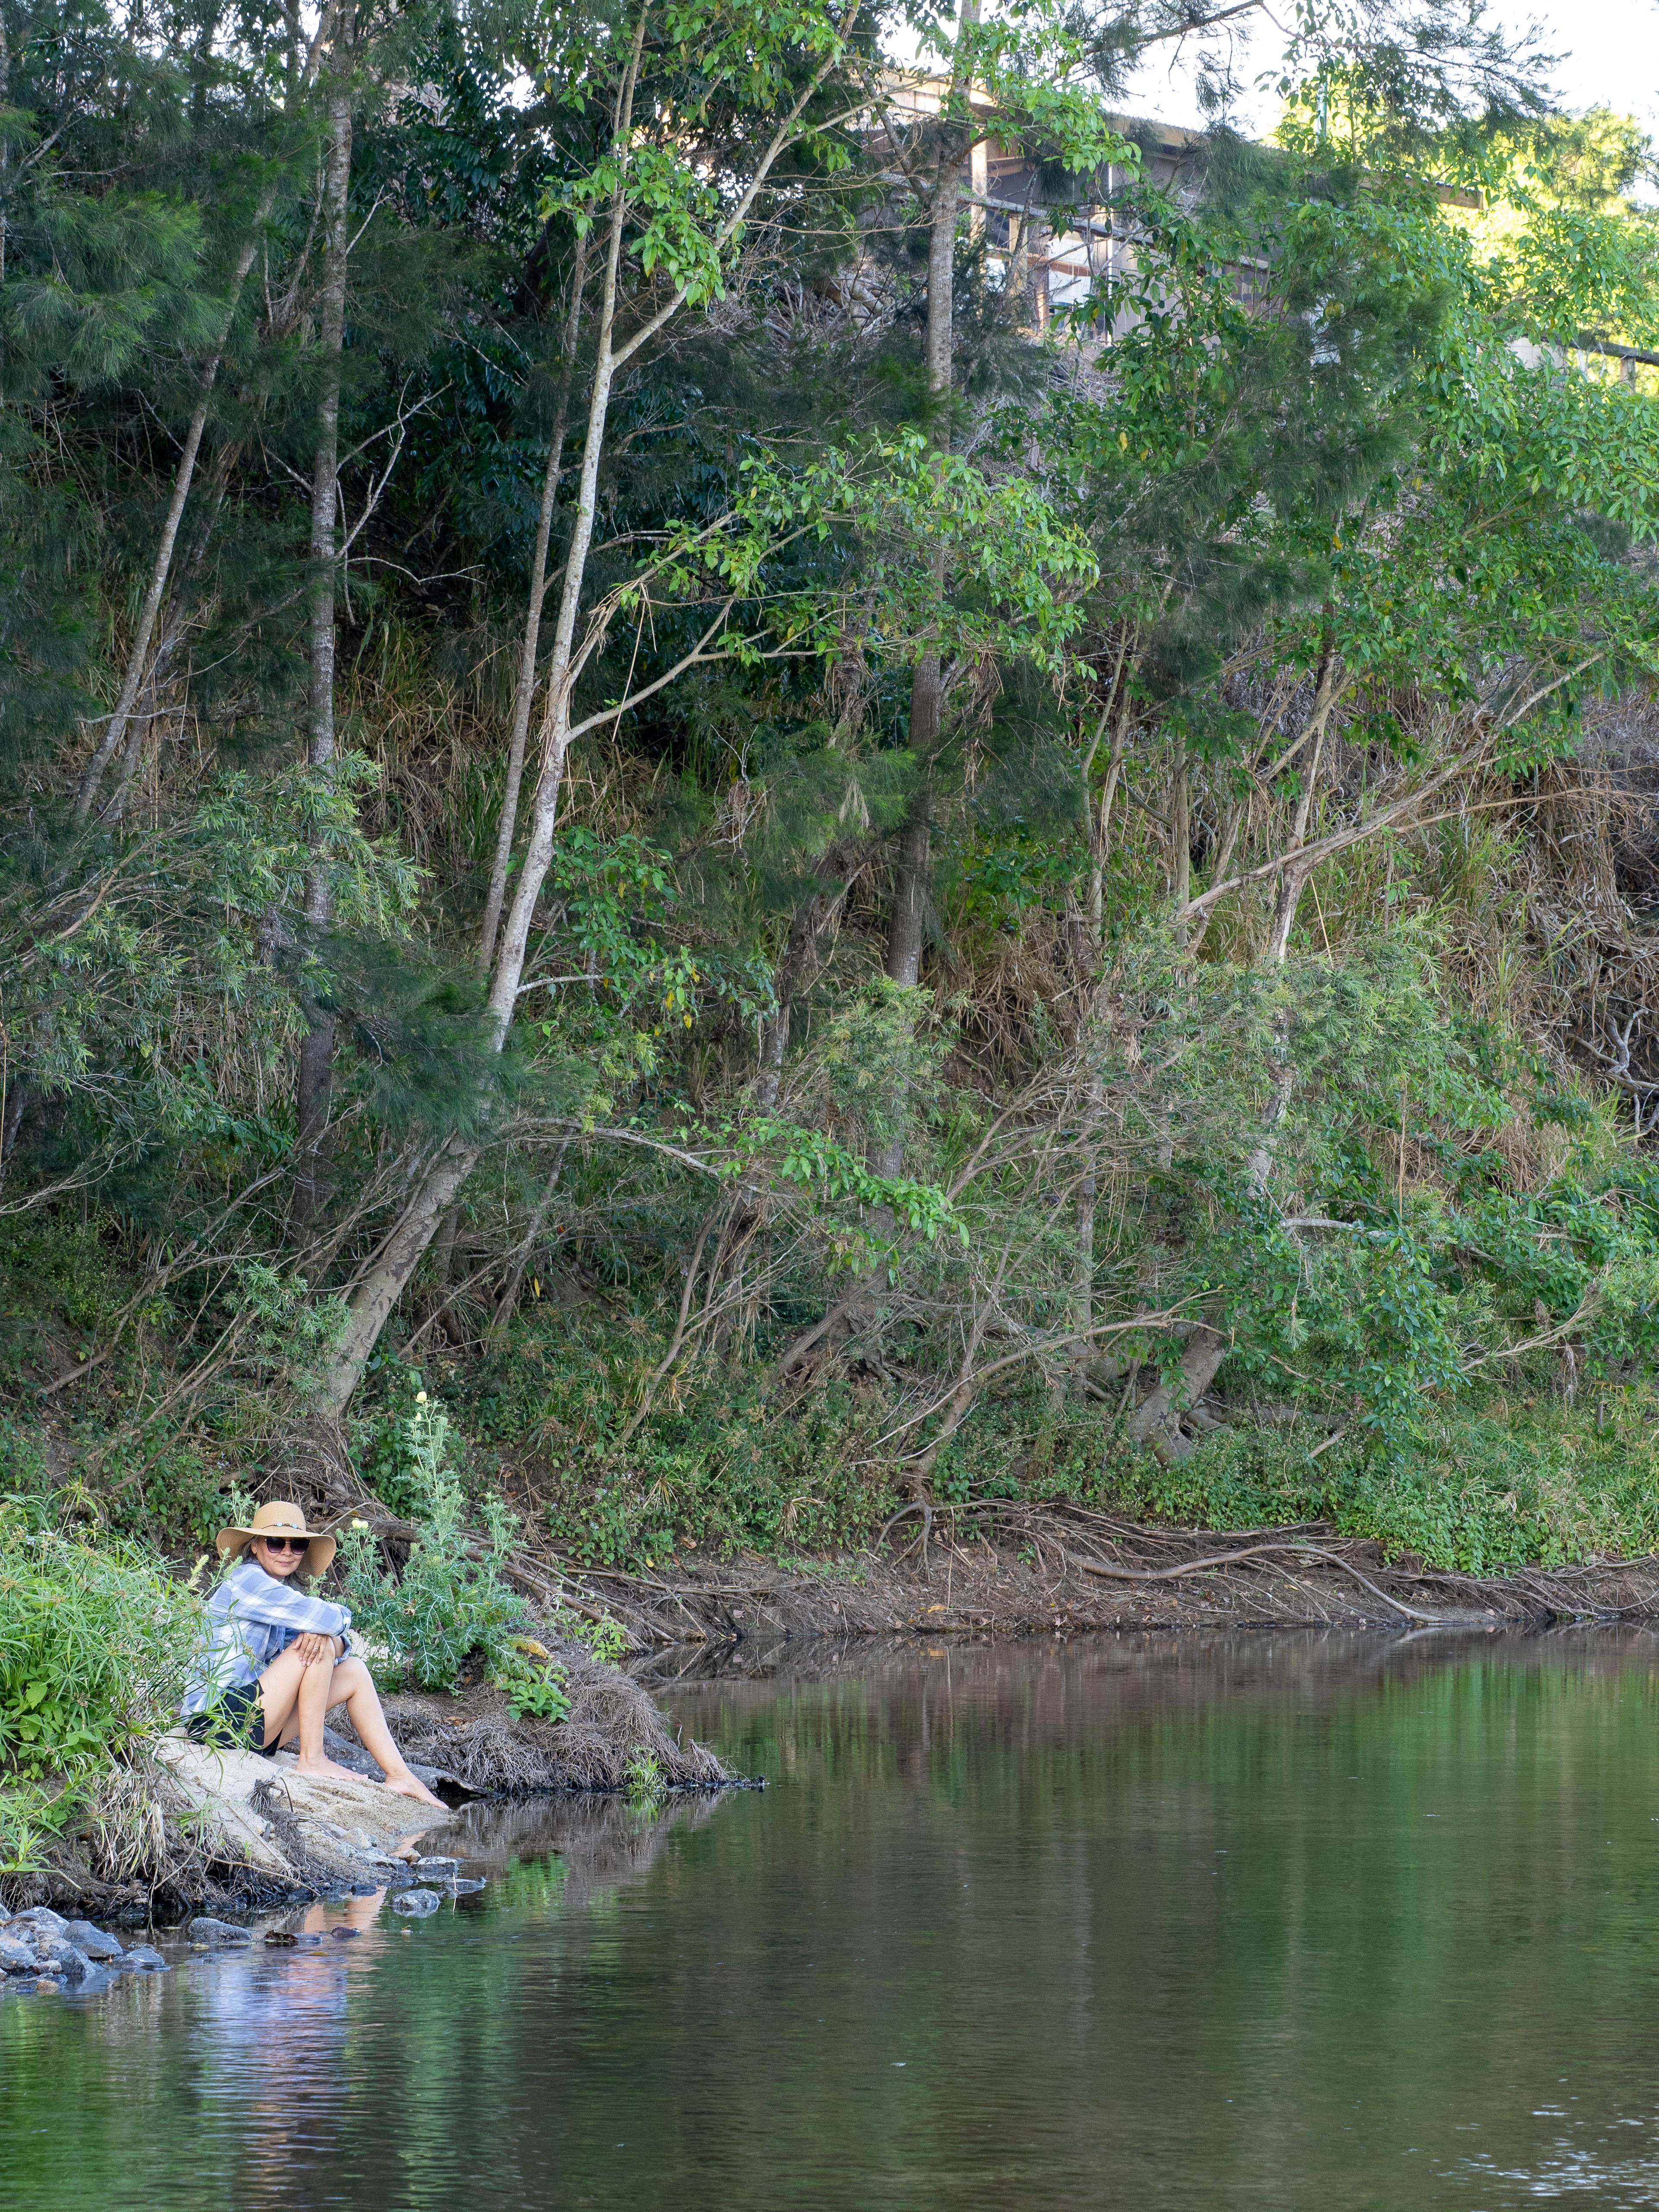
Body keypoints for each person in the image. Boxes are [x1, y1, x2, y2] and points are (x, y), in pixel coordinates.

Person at [181, 1499, 444, 1809]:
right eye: (276, 1543)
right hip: (215, 1722)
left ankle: (400, 1775)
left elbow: (339, 1642)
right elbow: (333, 1620)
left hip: (251, 1722)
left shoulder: (279, 1598)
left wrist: (331, 1640)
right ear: (255, 1547)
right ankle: (313, 1758)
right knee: (316, 1644)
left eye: (297, 1546)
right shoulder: (247, 1581)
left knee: (354, 1670)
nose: (287, 1552)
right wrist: (327, 1636)